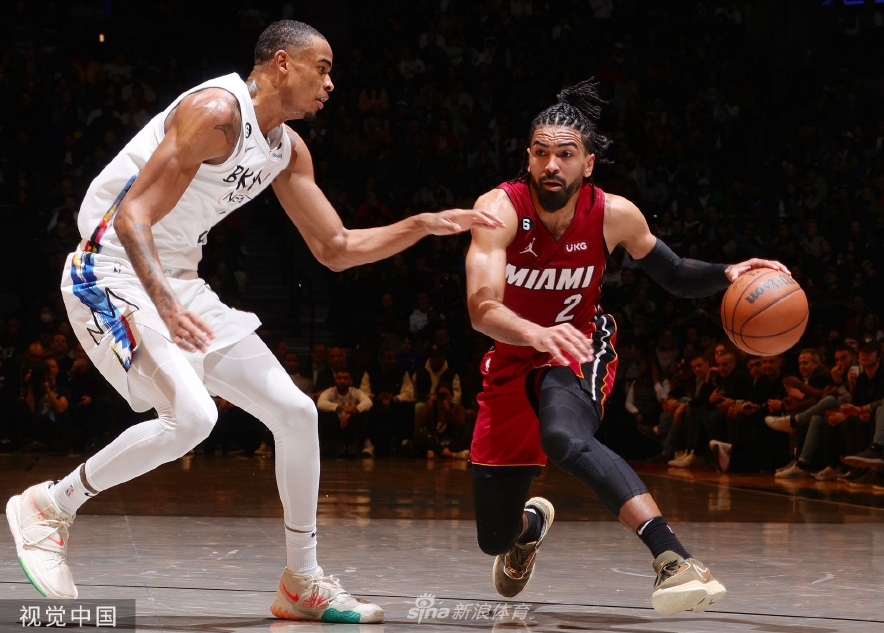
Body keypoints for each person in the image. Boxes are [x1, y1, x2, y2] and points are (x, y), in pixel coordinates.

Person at [5, 20, 500, 624]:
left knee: (297, 414)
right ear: (283, 63)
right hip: (111, 269)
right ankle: (50, 506)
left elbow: (335, 246)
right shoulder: (215, 111)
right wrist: (165, 304)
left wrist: (419, 225)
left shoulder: (286, 149)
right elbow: (132, 215)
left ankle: (302, 582)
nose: (331, 84)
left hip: (178, 281)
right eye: (323, 68)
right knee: (193, 418)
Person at [464, 79, 788, 616]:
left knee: (564, 437)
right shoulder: (498, 209)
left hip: (576, 346)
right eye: (541, 152)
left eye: (566, 154)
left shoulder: (614, 213)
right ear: (528, 156)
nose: (551, 165)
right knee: (493, 537)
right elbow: (482, 309)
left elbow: (675, 273)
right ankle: (530, 526)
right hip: (513, 353)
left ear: (588, 163)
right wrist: (534, 332)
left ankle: (674, 560)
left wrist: (729, 272)